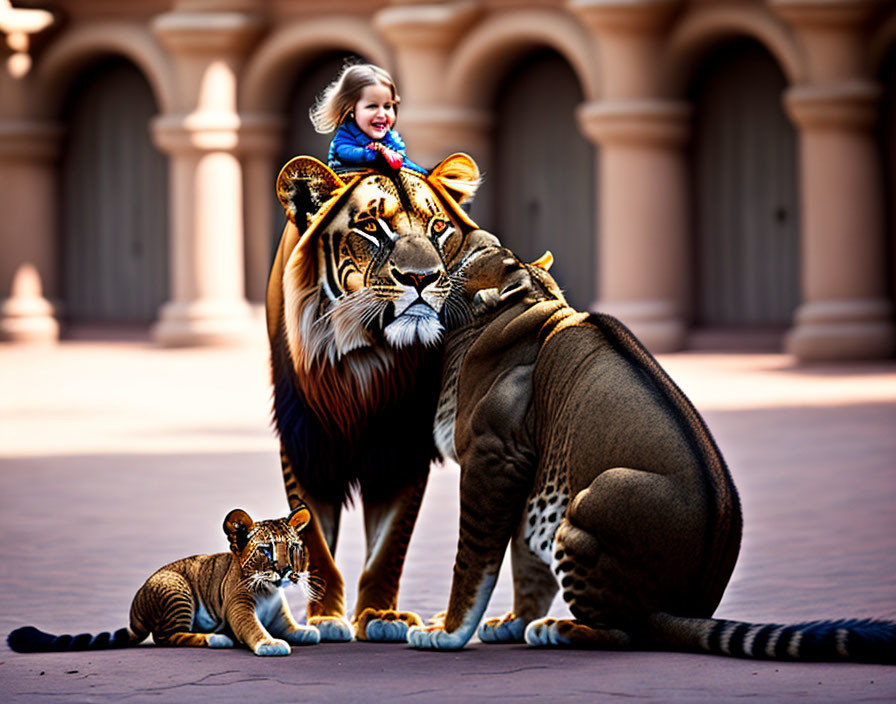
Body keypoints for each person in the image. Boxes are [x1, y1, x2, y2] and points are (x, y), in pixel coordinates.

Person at [310, 63, 427, 174]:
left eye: (387, 106)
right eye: (372, 106)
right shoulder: (346, 133)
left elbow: (402, 161)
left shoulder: (392, 138)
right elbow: (345, 151)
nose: (381, 114)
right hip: (349, 181)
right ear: (351, 109)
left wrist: (424, 174)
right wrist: (373, 154)